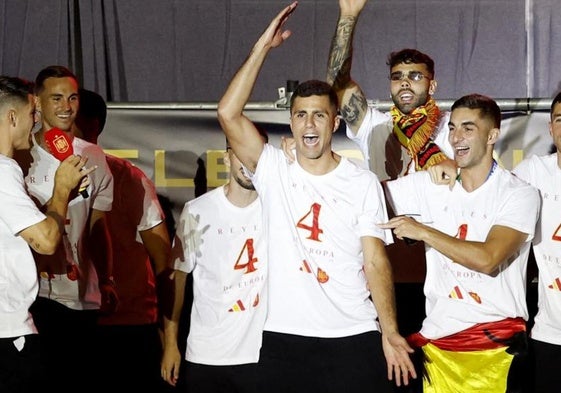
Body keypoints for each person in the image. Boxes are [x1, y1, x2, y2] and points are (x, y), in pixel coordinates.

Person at [216, 3, 415, 392]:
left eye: (319, 115)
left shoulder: (361, 183)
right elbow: (227, 112)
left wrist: (389, 331)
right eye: (301, 115)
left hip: (353, 334)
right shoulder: (274, 168)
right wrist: (263, 46)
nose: (309, 123)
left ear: (335, 123)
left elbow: (375, 260)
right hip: (284, 339)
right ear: (290, 121)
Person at [380, 93, 540, 392]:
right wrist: (301, 155)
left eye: (468, 128)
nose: (456, 137)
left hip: (495, 350)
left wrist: (423, 231)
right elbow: (362, 199)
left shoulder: (518, 193)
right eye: (452, 128)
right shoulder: (433, 184)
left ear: (493, 134)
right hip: (436, 349)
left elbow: (488, 259)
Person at [73, 88, 173, 393]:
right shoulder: (38, 173)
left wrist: (168, 336)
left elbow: (163, 261)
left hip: (128, 324)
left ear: (93, 126)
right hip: (70, 318)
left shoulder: (129, 177)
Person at [24, 66, 117, 393]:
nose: (66, 106)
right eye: (56, 98)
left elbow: (96, 226)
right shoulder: (20, 156)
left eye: (72, 97)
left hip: (80, 298)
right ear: (36, 102)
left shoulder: (93, 156)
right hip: (29, 298)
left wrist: (106, 280)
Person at [0, 75, 95, 393]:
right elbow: (45, 240)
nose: (36, 122)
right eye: (31, 114)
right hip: (7, 332)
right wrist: (61, 189)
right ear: (12, 117)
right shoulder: (2, 171)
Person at [160, 128, 268, 392]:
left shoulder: (278, 206)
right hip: (207, 356)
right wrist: (171, 344)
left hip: (262, 356)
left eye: (258, 153)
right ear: (226, 157)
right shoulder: (198, 211)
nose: (250, 162)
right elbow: (177, 279)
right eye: (242, 152)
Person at [327, 0, 454, 180]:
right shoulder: (375, 127)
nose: (404, 82)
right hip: (389, 209)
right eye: (397, 77)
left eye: (415, 76)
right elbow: (338, 84)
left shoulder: (452, 126)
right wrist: (348, 15)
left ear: (432, 86)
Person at [511, 91, 561, 393]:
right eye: (560, 119)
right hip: (551, 333)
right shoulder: (534, 171)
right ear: (551, 128)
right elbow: (489, 190)